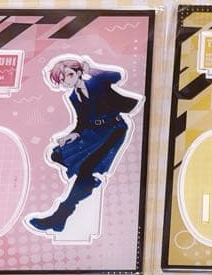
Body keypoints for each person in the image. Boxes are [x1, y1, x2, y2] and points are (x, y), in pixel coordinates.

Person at [27, 57, 140, 233]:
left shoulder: (97, 82)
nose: (67, 81)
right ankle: (89, 182)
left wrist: (92, 70)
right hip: (94, 133)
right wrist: (73, 134)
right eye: (62, 79)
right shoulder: (73, 97)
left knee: (87, 168)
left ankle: (59, 216)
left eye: (69, 75)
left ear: (79, 72)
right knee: (57, 154)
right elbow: (82, 121)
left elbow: (117, 76)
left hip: (114, 129)